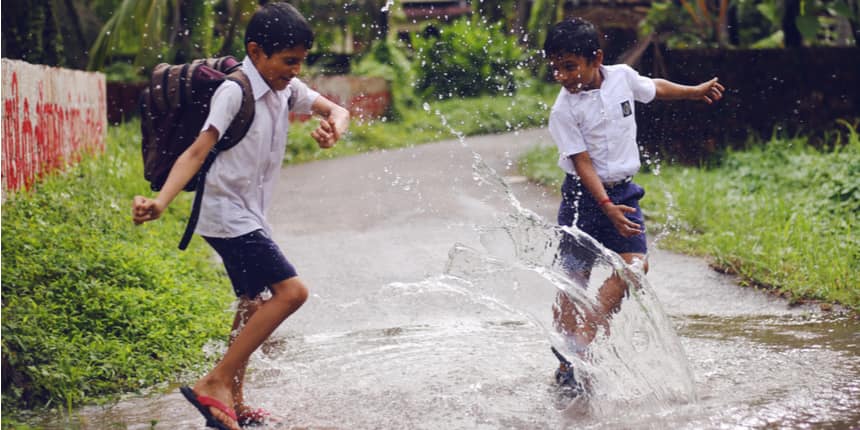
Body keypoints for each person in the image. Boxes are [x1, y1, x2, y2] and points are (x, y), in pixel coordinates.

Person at [132, 3, 350, 429]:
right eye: (289, 61)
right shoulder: (234, 91)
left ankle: (234, 398)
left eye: (300, 62)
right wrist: (161, 202)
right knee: (291, 293)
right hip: (226, 214)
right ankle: (214, 382)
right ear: (256, 51)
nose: (294, 70)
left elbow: (337, 110)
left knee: (252, 303)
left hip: (250, 214)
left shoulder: (286, 88)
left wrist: (334, 128)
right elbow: (197, 150)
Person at [543, 18, 724, 391]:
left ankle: (586, 336)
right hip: (583, 198)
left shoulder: (622, 77)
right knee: (572, 281)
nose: (561, 75)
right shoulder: (564, 110)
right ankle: (566, 361)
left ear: (597, 59)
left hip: (623, 194)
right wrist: (605, 204)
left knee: (636, 266)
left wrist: (693, 92)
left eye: (569, 66)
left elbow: (652, 88)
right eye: (555, 67)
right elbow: (582, 162)